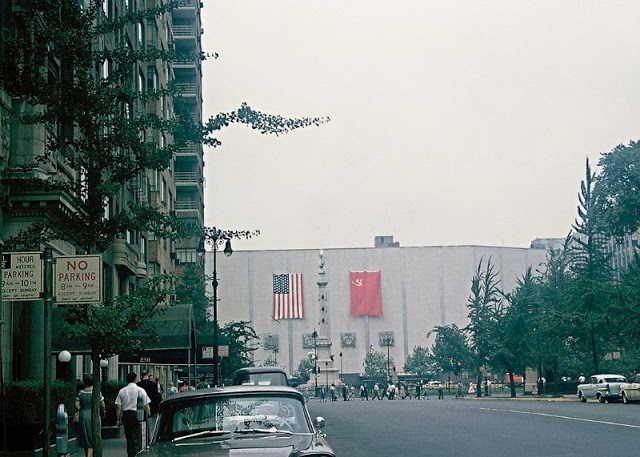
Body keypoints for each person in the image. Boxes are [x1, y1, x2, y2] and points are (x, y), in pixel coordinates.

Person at [116, 372, 151, 457]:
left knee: (128, 437)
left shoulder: (122, 391)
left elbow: (118, 406)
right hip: (136, 415)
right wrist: (149, 415)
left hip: (126, 415)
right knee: (136, 436)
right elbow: (146, 405)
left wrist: (118, 419)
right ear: (135, 379)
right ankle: (136, 454)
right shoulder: (140, 390)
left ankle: (130, 454)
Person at [75, 375, 105, 457]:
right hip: (94, 414)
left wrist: (80, 407)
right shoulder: (97, 392)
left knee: (86, 436)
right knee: (95, 435)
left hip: (84, 415)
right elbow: (102, 404)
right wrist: (103, 412)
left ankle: (88, 453)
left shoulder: (81, 392)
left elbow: (77, 404)